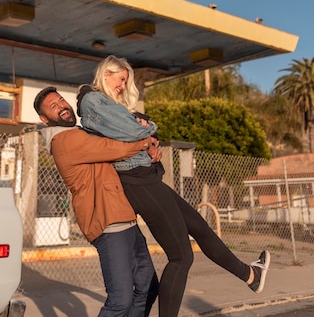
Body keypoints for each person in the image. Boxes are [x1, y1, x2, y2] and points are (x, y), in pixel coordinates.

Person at [77, 55, 271, 317]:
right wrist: (147, 130)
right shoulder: (93, 98)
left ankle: (251, 275)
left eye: (126, 81)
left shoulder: (108, 103)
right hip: (137, 179)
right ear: (106, 73)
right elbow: (134, 132)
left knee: (200, 227)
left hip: (145, 176)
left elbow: (136, 133)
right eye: (120, 79)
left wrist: (147, 136)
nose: (123, 85)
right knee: (181, 257)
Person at [33, 86, 159, 317]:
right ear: (44, 119)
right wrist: (145, 142)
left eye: (61, 101)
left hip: (125, 218)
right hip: (108, 223)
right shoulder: (65, 139)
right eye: (53, 106)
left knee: (148, 287)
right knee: (120, 300)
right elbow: (112, 148)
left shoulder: (80, 132)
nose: (61, 106)